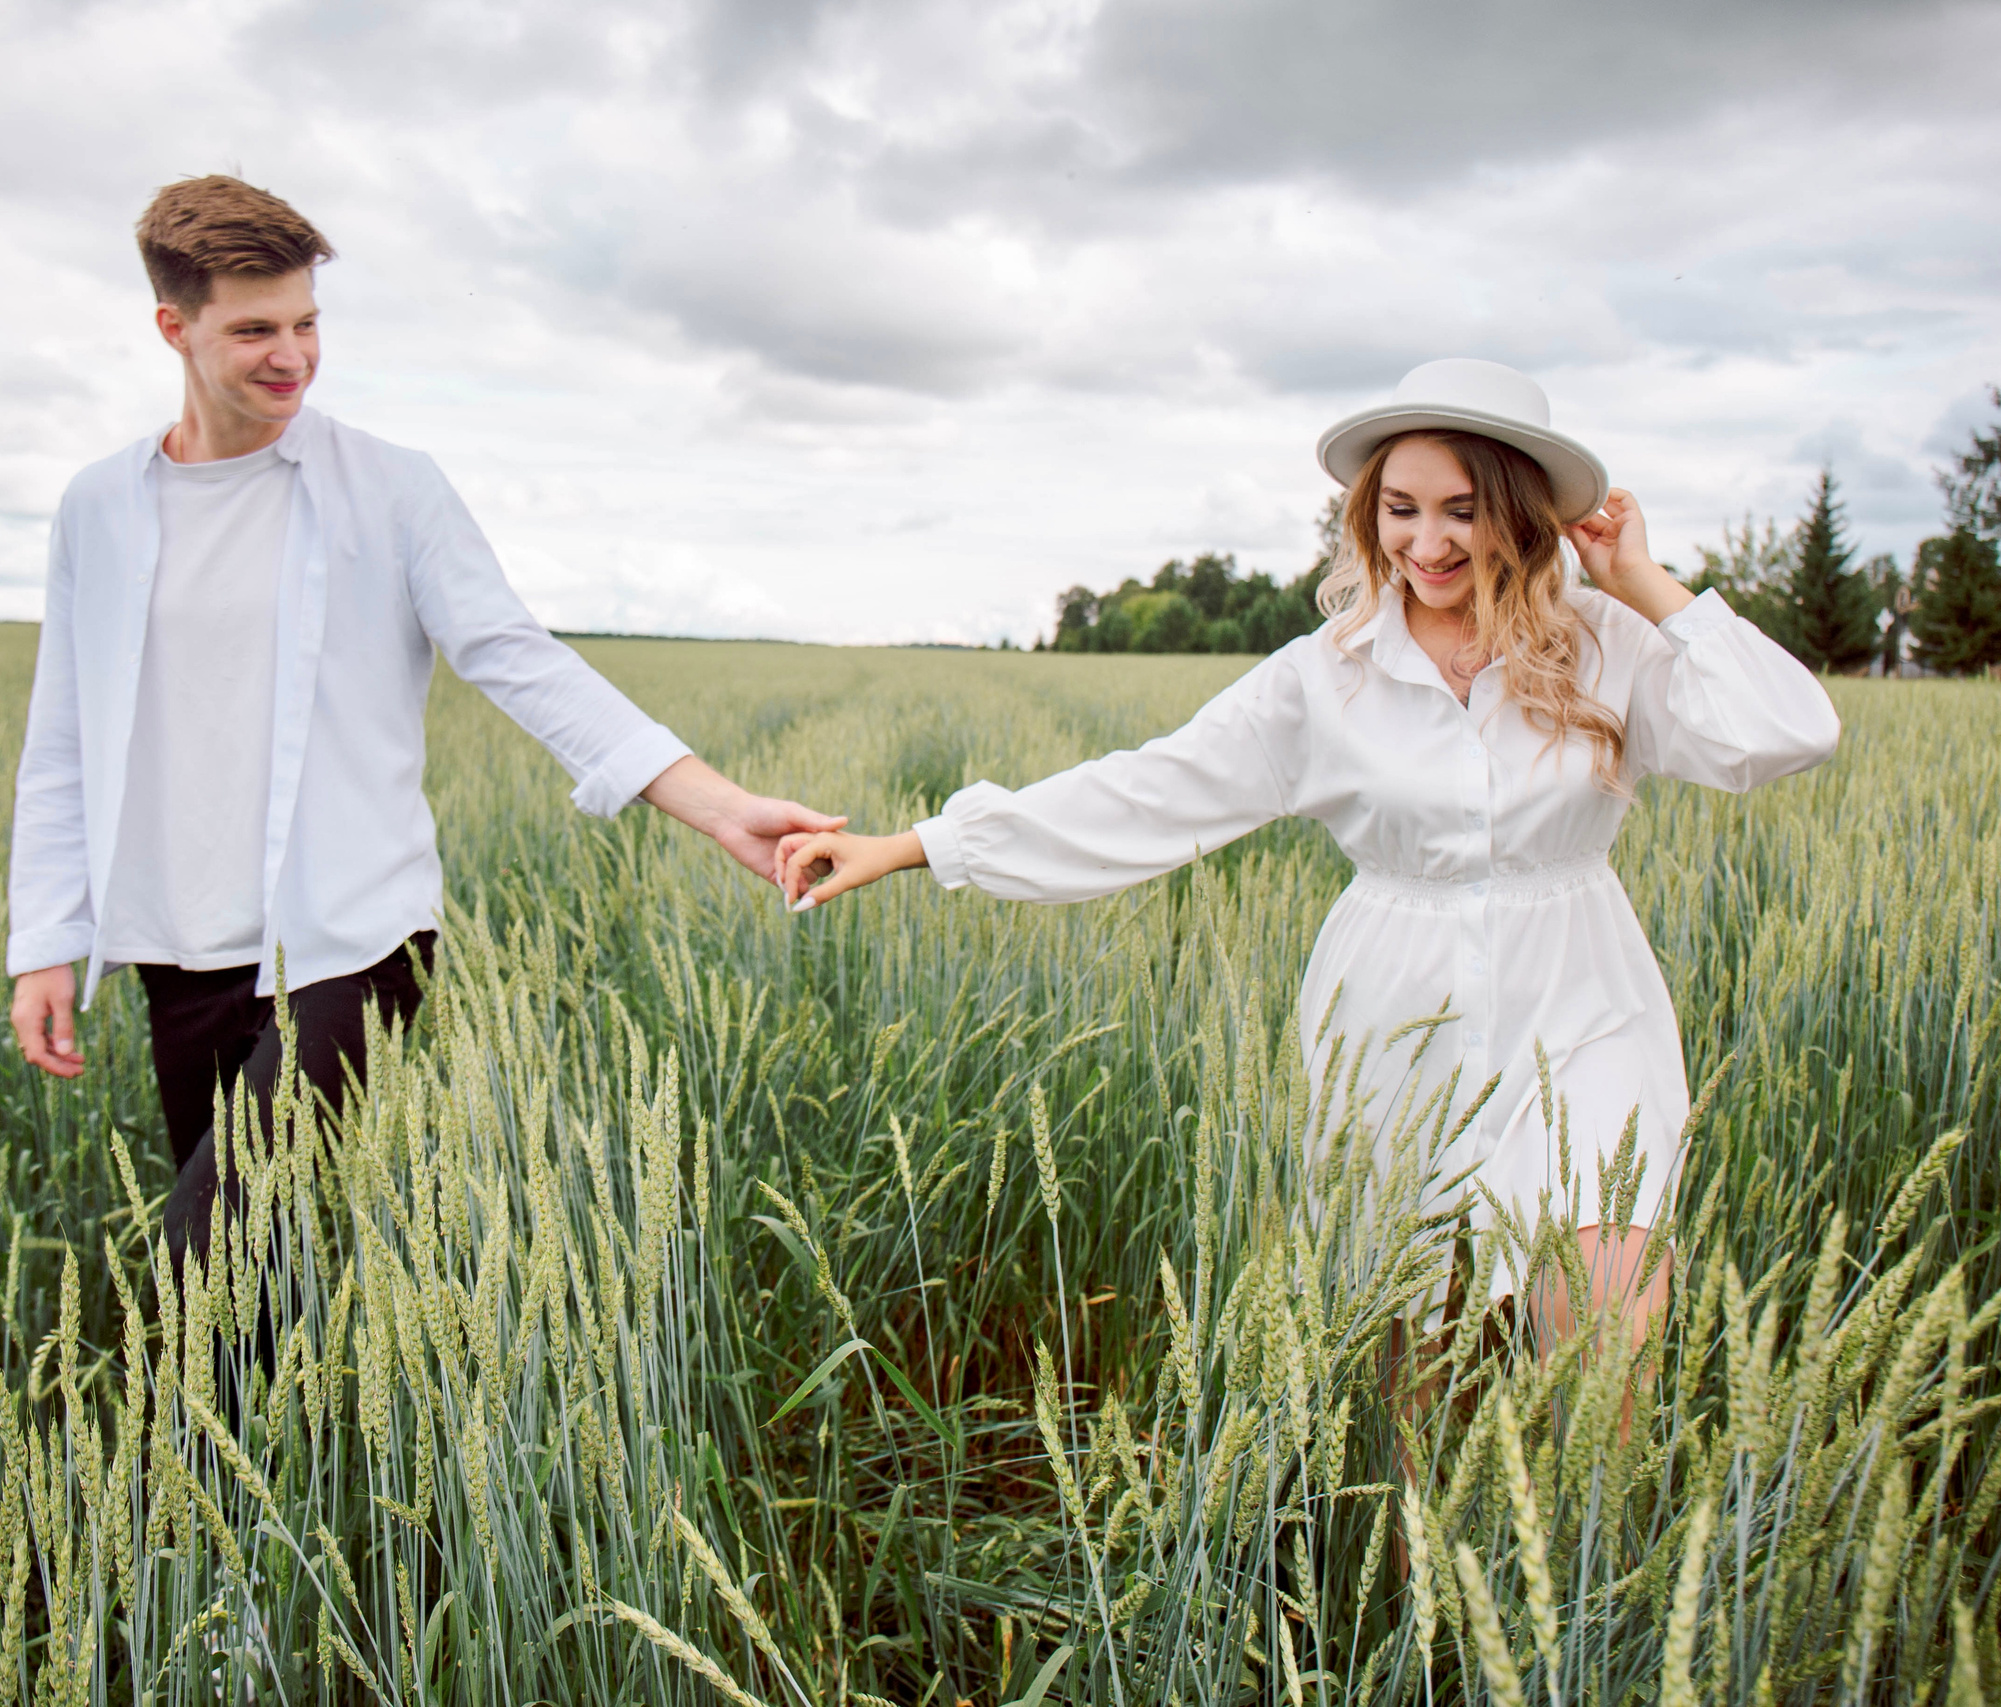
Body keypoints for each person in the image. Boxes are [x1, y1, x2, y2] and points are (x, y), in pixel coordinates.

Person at [771, 357, 1841, 1357]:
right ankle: (1425, 1556)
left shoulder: (1604, 644)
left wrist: (1643, 579)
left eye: (1463, 511)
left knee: (1605, 1312)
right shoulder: (1322, 676)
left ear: (1522, 515)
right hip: (1391, 1012)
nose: (1427, 542)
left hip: (1582, 999)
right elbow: (1152, 791)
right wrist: (917, 846)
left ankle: (1587, 1555)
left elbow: (1787, 731)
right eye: (1401, 508)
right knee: (1416, 1335)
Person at [7, 175, 841, 1261]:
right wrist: (46, 943)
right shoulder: (98, 506)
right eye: (255, 329)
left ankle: (182, 1434)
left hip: (353, 934)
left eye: (308, 324)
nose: (293, 356)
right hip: (178, 941)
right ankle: (291, 1433)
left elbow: (519, 660)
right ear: (173, 327)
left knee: (199, 1257)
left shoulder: (390, 488)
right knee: (259, 1277)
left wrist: (717, 806)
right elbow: (63, 737)